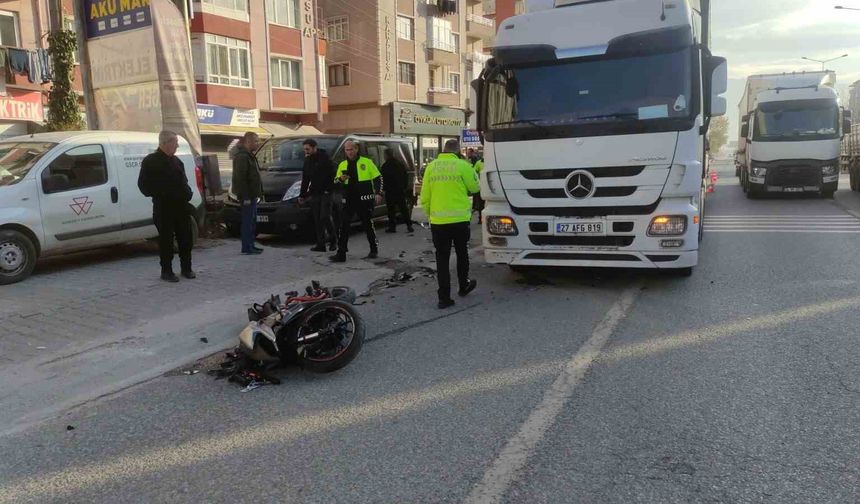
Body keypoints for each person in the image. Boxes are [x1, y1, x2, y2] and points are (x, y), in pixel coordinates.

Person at [420, 139, 480, 309]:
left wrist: (429, 214)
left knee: (442, 258)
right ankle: (463, 286)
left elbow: (424, 196)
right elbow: (475, 188)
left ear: (443, 150)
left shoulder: (431, 167)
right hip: (460, 220)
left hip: (439, 222)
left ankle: (444, 298)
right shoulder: (463, 165)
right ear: (457, 151)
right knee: (462, 253)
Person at [137, 131, 195, 283]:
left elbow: (184, 182)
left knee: (185, 238)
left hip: (181, 207)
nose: (176, 145)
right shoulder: (151, 161)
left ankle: (186, 268)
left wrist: (188, 193)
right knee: (166, 241)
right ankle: (167, 271)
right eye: (175, 142)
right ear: (165, 143)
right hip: (164, 208)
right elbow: (143, 186)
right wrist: (162, 193)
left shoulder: (177, 161)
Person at [330, 140, 382, 263]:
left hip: (364, 199)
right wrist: (341, 179)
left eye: (351, 149)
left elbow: (378, 178)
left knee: (367, 225)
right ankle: (341, 253)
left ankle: (373, 249)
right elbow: (335, 182)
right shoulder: (342, 165)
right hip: (348, 199)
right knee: (344, 226)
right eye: (347, 150)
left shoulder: (366, 162)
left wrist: (379, 193)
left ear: (356, 149)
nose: (350, 152)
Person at [300, 138, 337, 251]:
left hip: (326, 192)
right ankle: (320, 244)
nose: (306, 151)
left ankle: (333, 240)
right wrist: (302, 195)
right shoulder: (307, 161)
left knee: (325, 216)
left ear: (314, 147)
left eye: (308, 149)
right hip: (315, 193)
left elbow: (332, 175)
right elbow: (305, 179)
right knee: (317, 219)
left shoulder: (325, 158)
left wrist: (329, 189)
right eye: (305, 149)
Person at [231, 132, 264, 255]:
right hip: (247, 196)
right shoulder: (242, 156)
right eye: (256, 141)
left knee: (252, 221)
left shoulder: (249, 155)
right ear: (248, 141)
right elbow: (241, 178)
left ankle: (251, 245)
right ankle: (246, 247)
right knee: (247, 222)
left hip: (252, 195)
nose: (257, 143)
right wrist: (245, 197)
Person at [380, 148, 414, 233]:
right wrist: (404, 187)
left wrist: (383, 189)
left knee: (391, 210)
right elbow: (405, 176)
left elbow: (383, 179)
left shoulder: (385, 166)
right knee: (403, 209)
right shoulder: (400, 164)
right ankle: (409, 225)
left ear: (386, 155)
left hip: (390, 191)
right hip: (400, 190)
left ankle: (392, 227)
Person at [473, 157, 485, 224]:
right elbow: (474, 172)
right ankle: (480, 218)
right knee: (481, 204)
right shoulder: (479, 162)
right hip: (481, 186)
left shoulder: (492, 161)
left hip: (490, 185)